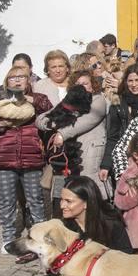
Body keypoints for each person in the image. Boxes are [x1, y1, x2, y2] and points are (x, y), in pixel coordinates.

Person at [0, 65, 51, 261]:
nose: (17, 80)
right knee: (7, 201)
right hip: (5, 158)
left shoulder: (36, 98)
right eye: (13, 78)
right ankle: (8, 238)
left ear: (28, 81)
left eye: (22, 77)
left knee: (35, 200)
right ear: (6, 82)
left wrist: (28, 98)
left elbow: (48, 108)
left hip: (32, 158)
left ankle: (40, 240)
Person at [37, 69, 108, 201]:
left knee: (87, 188)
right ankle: (62, 216)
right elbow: (42, 119)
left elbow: (86, 121)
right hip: (66, 155)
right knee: (63, 191)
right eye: (77, 84)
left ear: (92, 84)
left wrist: (62, 133)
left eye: (85, 83)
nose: (81, 86)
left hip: (88, 148)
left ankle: (94, 216)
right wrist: (50, 124)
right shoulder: (70, 100)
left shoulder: (98, 100)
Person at [100, 65, 138, 182]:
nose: (134, 84)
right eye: (130, 81)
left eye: (137, 80)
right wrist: (106, 165)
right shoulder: (118, 103)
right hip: (124, 160)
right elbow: (113, 137)